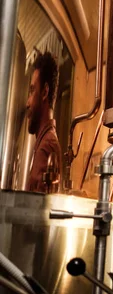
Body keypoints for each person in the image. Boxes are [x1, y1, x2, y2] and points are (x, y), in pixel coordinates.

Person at [26, 51, 62, 193]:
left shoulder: (47, 146)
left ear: (44, 92)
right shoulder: (44, 142)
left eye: (32, 90)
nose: (28, 102)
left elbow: (35, 212)